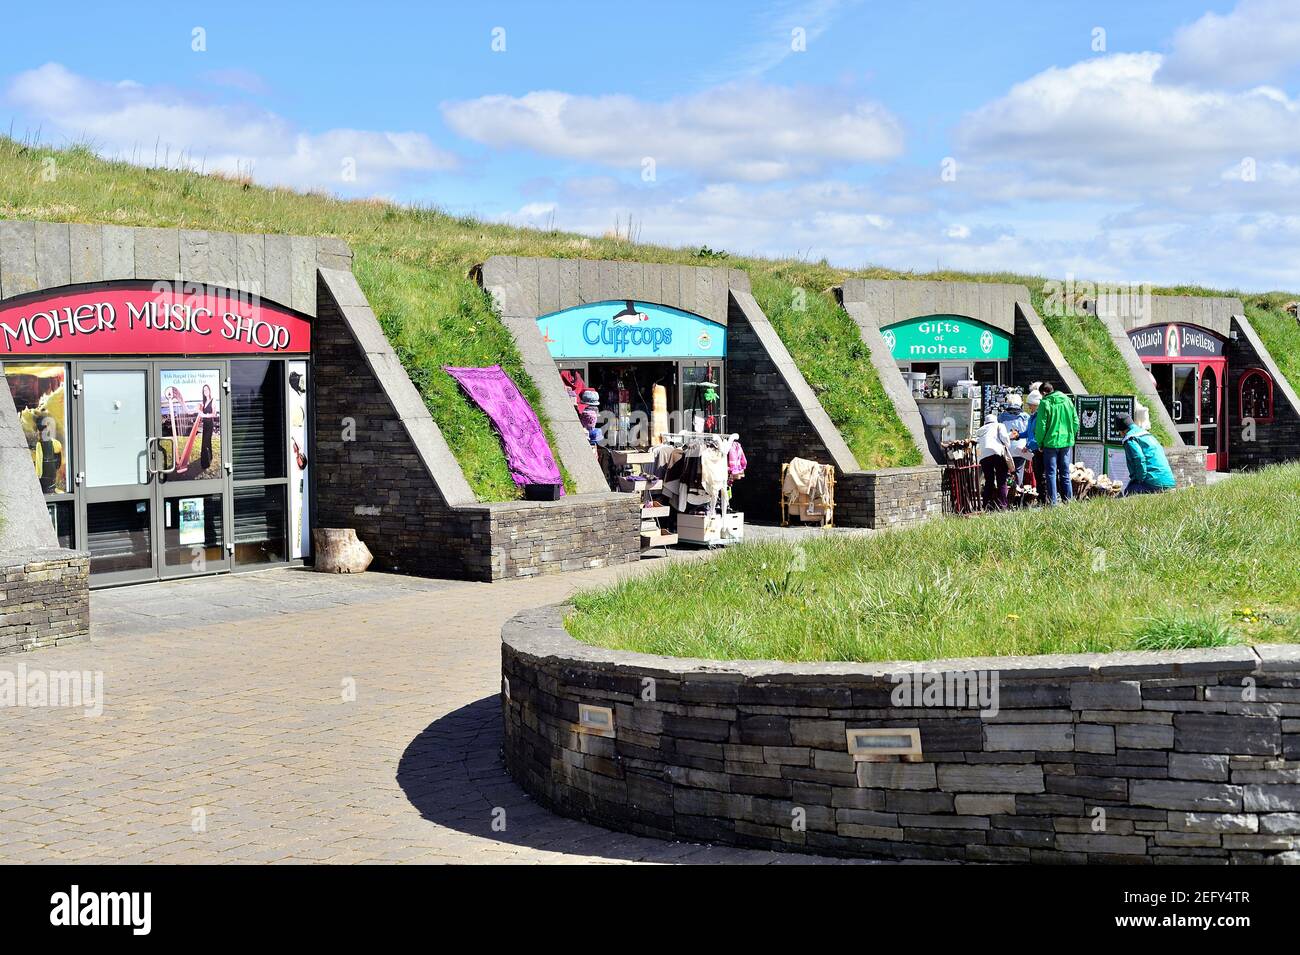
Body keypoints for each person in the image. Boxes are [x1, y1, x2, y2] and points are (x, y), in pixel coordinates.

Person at [1034, 382, 1079, 505]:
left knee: (1051, 473)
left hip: (1050, 443)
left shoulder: (1045, 403)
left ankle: (1053, 503)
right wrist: (1070, 435)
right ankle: (1068, 501)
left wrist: (1040, 442)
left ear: (1043, 393)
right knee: (1065, 473)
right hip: (1066, 443)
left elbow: (1041, 426)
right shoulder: (1067, 400)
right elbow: (1076, 421)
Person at [1117, 410, 1175, 495]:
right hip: (1169, 482)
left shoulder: (1130, 439)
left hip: (1154, 483)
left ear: (1121, 431)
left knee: (1128, 492)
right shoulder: (1147, 435)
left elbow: (1139, 458)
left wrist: (1138, 480)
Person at [975, 412, 1014, 510]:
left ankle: (986, 505)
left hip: (984, 457)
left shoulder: (979, 430)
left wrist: (979, 458)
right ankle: (1003, 505)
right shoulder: (999, 425)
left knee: (989, 480)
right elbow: (1005, 439)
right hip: (997, 454)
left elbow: (978, 445)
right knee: (1001, 480)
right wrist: (1007, 445)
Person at [998, 394, 1031, 487]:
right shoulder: (1025, 417)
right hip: (1021, 448)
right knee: (1019, 471)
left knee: (1005, 471)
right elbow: (1029, 433)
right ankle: (1016, 492)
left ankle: (1005, 491)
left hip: (1006, 449)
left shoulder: (1002, 417)